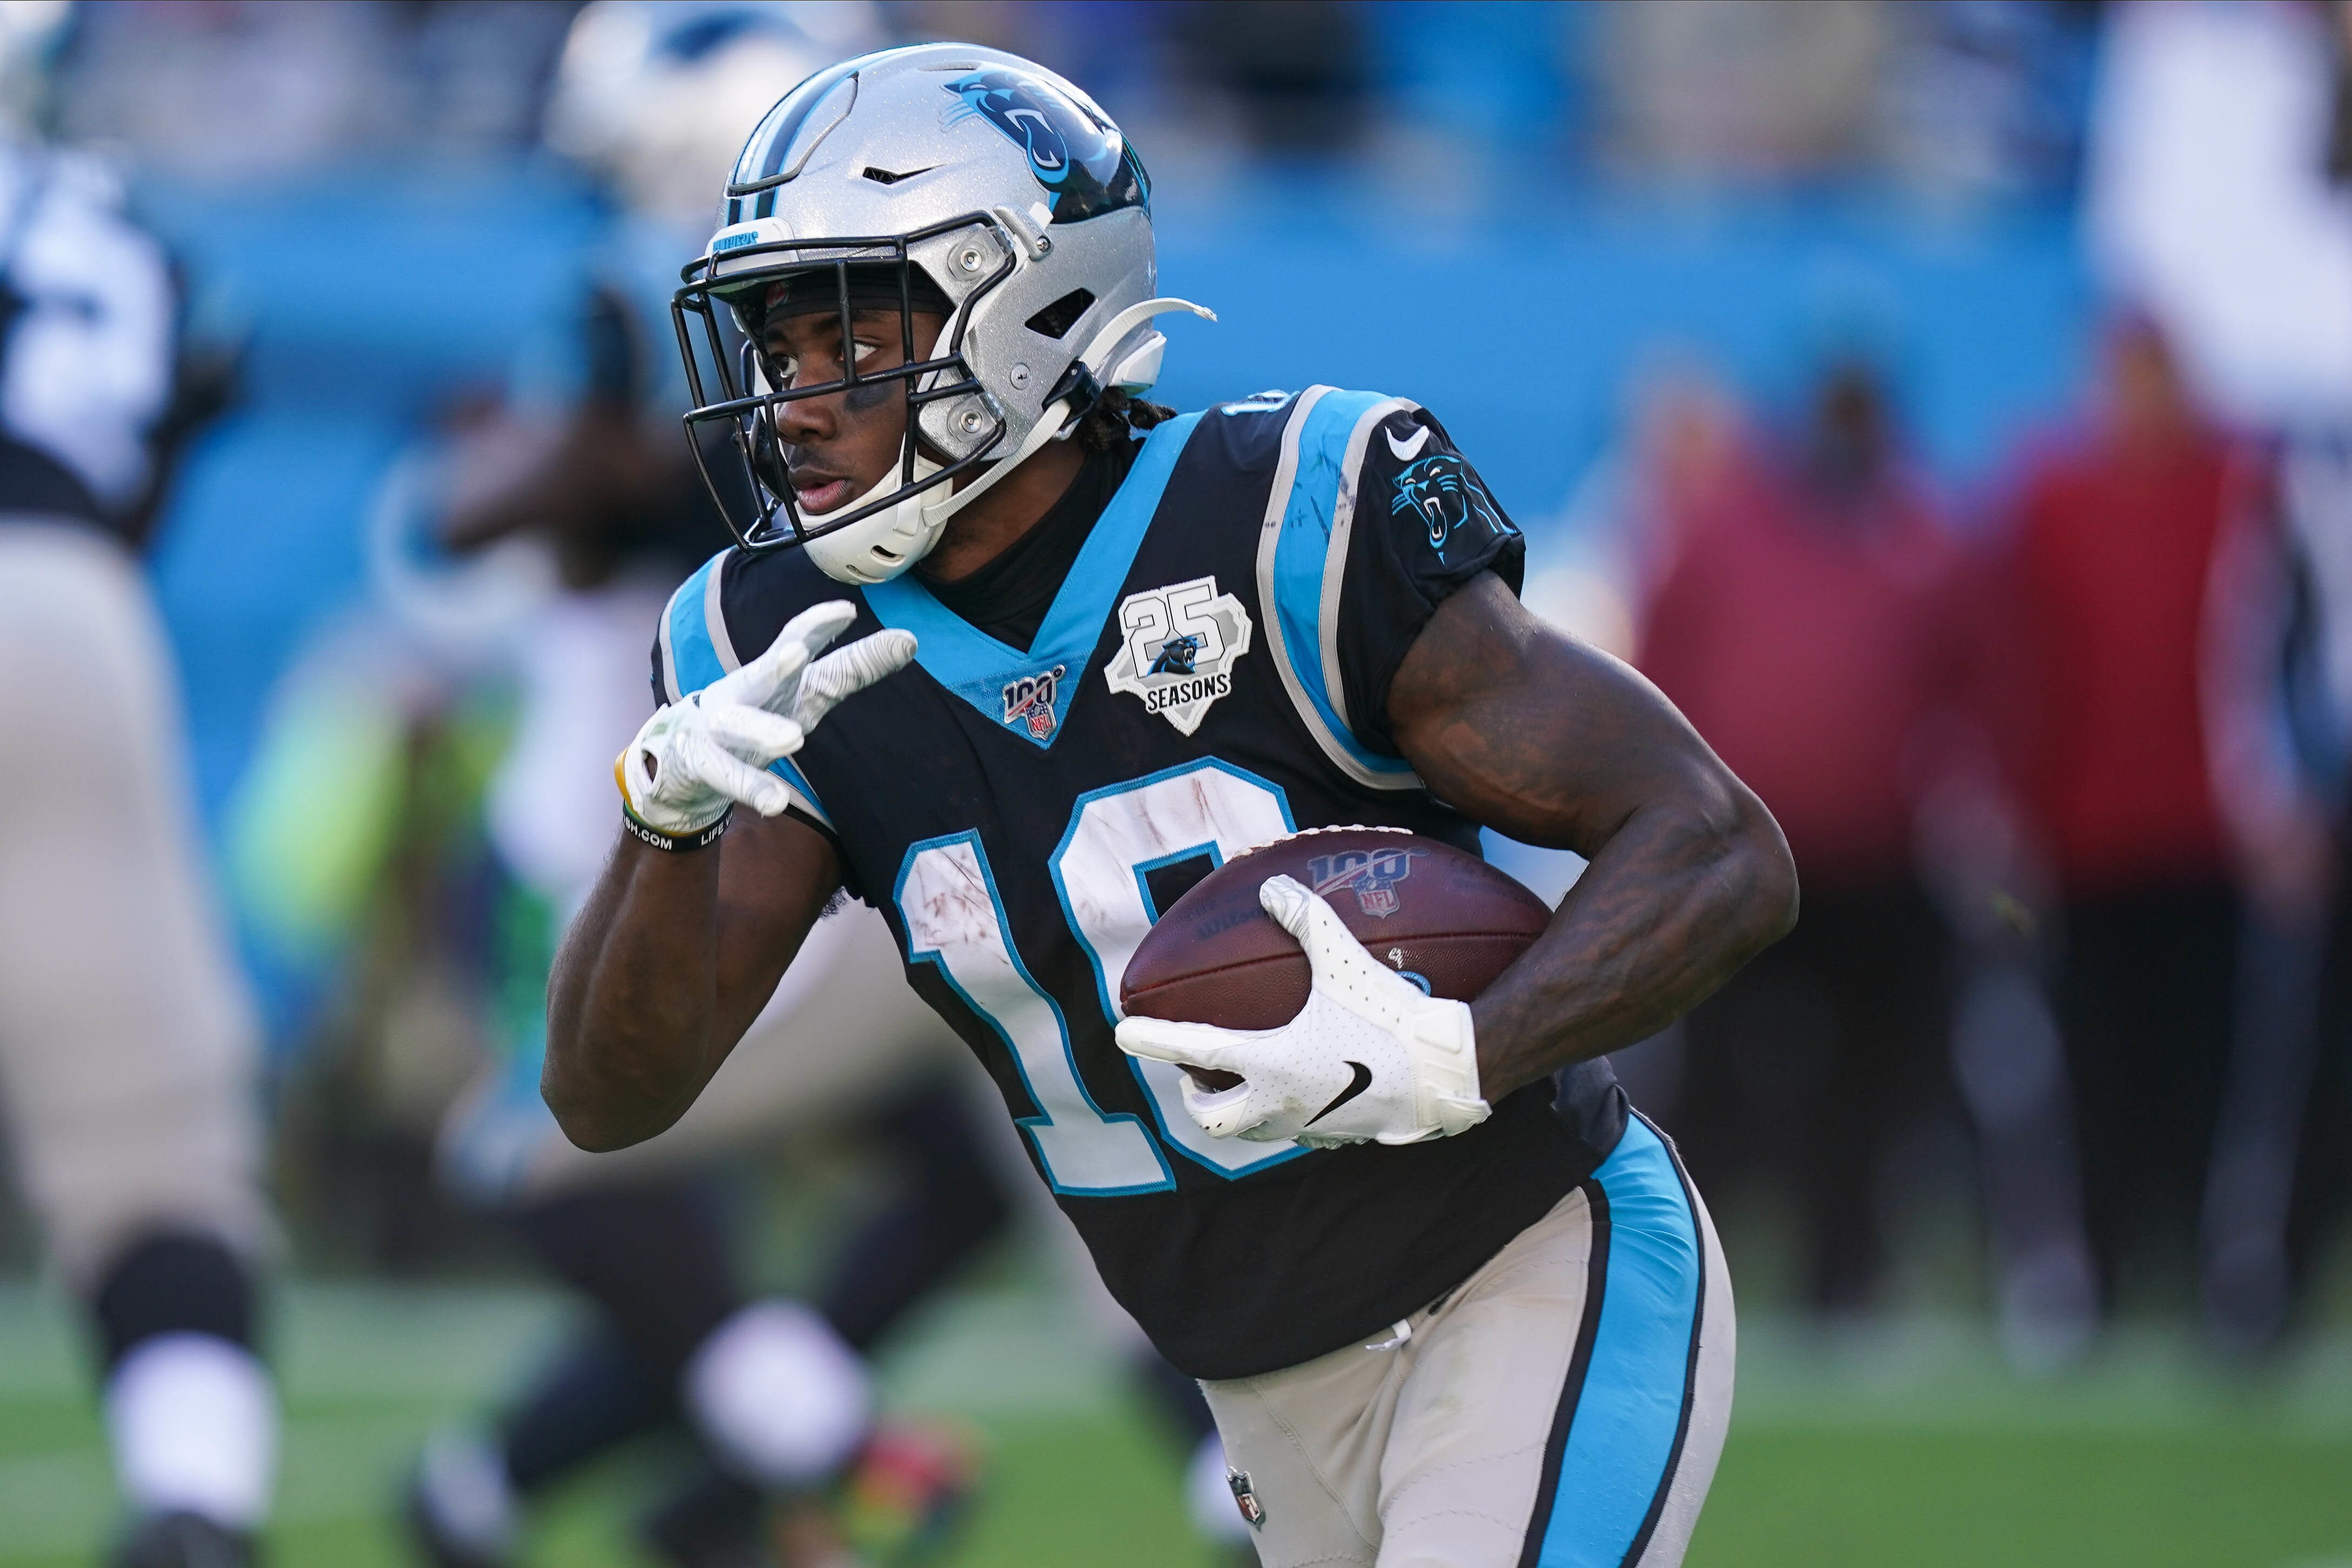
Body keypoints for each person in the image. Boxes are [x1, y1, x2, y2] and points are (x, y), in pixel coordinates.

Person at [547, 44, 1795, 1568]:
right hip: (1254, 1396)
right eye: (775, 345)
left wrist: (1460, 1049)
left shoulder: (1283, 512)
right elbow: (610, 1097)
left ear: (1022, 306)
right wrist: (661, 822)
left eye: (851, 338)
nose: (794, 404)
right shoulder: (778, 643)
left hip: (1518, 1274)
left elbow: (1715, 846)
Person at [0, 142, 272, 1566]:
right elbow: (145, 481)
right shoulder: (110, 222)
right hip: (62, 600)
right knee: (151, 1156)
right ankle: (196, 1502)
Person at [1635, 353, 1973, 1315]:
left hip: (1878, 860)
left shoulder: (1920, 533)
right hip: (1742, 852)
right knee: (1715, 1077)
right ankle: (1683, 1273)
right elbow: (1657, 673)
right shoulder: (1727, 529)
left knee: (1868, 1083)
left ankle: (1847, 1279)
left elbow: (1970, 678)